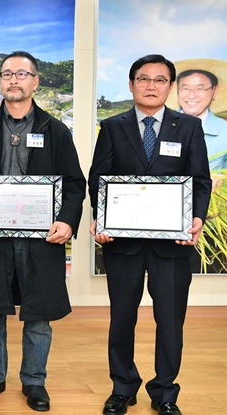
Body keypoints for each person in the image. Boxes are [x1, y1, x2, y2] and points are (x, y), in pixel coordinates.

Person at [89, 54, 211, 415]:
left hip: (172, 245)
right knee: (122, 318)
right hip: (122, 246)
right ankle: (122, 387)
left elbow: (200, 180)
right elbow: (100, 179)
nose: (152, 85)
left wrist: (197, 218)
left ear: (170, 87)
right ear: (131, 85)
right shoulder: (112, 126)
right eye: (144, 79)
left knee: (171, 322)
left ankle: (165, 393)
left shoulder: (188, 127)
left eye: (160, 80)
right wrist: (102, 219)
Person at [0, 51, 85, 412]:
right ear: (0, 82)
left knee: (38, 314)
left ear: (35, 81)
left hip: (40, 239)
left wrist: (67, 219)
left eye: (21, 74)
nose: (13, 80)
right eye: (6, 74)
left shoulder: (55, 130)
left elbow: (75, 184)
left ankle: (34, 381)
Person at [176, 68, 227, 179]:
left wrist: (220, 180)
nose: (191, 95)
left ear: (214, 91)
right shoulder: (157, 125)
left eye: (200, 89)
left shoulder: (225, 131)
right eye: (185, 88)